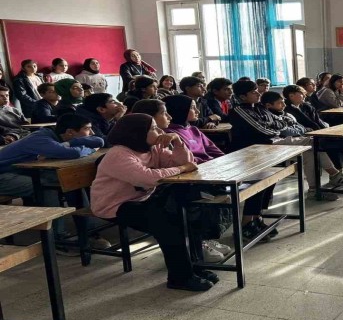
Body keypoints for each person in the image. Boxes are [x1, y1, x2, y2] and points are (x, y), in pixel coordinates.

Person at [89, 114, 211, 292]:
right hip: (114, 205)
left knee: (185, 215)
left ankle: (195, 268)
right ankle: (180, 277)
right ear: (137, 133)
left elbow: (187, 162)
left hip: (143, 199)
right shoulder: (119, 154)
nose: (160, 131)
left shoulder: (152, 149)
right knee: (168, 223)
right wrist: (182, 169)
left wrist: (177, 142)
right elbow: (147, 178)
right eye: (153, 128)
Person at [163, 95, 278, 244]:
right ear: (180, 110)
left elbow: (214, 150)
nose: (197, 110)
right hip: (198, 177)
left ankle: (254, 218)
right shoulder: (171, 135)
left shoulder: (193, 129)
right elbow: (188, 160)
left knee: (265, 175)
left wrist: (226, 163)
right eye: (192, 107)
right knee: (255, 180)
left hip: (214, 170)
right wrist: (213, 165)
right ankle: (246, 224)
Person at [229, 81, 343, 201]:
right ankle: (334, 174)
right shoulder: (239, 111)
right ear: (242, 96)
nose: (258, 93)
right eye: (253, 92)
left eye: (257, 90)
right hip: (258, 148)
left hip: (273, 142)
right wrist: (277, 127)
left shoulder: (259, 108)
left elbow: (283, 121)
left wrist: (275, 125)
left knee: (310, 149)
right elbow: (264, 131)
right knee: (313, 142)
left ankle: (314, 190)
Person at [0, 114, 104, 243]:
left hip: (20, 172)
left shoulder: (58, 137)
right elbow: (74, 153)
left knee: (71, 180)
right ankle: (58, 238)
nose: (92, 132)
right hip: (3, 176)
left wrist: (71, 143)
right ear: (70, 132)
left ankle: (88, 232)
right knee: (47, 187)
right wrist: (84, 148)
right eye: (87, 129)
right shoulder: (40, 138)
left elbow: (99, 141)